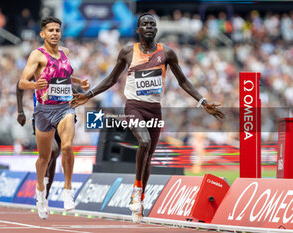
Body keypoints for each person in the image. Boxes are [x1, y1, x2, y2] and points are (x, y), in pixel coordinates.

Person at [70, 12, 225, 223]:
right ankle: (136, 189)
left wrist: (203, 102)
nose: (149, 27)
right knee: (143, 141)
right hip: (133, 107)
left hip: (154, 110)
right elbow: (111, 79)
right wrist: (88, 96)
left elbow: (183, 81)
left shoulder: (167, 53)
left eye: (152, 24)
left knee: (148, 156)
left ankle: (139, 198)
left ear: (157, 29)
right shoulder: (127, 52)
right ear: (138, 29)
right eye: (145, 24)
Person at [18, 16, 88, 219]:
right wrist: (34, 85)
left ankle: (68, 190)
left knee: (66, 146)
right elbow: (22, 82)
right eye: (51, 30)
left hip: (64, 108)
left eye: (57, 30)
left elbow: (62, 76)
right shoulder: (37, 56)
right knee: (44, 158)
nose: (55, 33)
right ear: (43, 34)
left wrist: (78, 82)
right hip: (43, 111)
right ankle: (40, 192)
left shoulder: (65, 53)